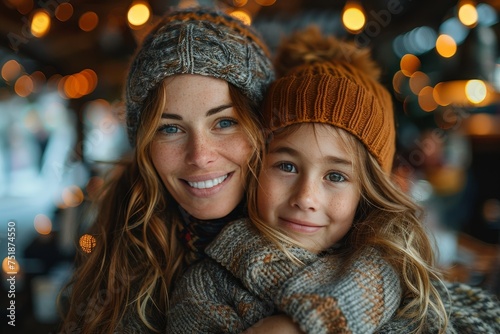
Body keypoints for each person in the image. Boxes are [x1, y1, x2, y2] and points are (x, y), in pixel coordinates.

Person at [166, 27, 500, 334]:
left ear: (366, 193)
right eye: (286, 166)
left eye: (336, 176)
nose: (306, 197)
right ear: (256, 165)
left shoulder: (398, 273)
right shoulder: (206, 290)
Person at [58, 7, 274, 334]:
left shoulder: (328, 232)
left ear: (263, 128)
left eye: (225, 122)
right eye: (170, 129)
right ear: (144, 143)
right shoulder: (115, 256)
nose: (200, 156)